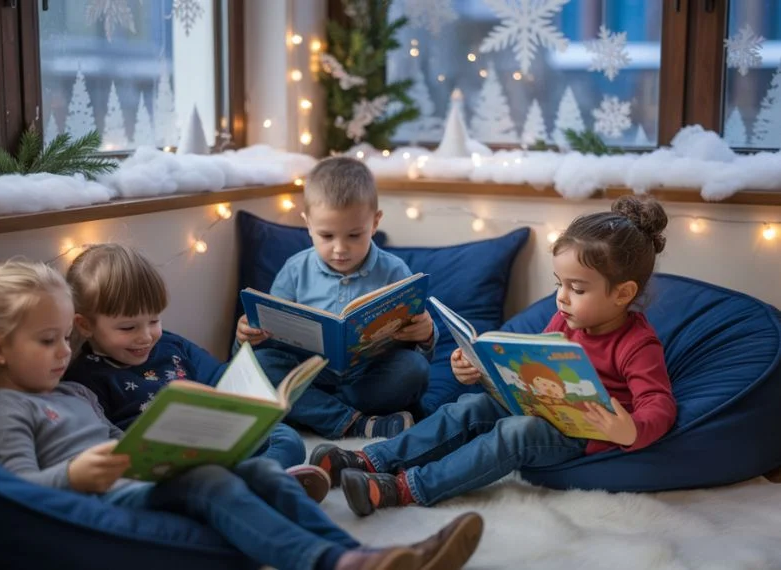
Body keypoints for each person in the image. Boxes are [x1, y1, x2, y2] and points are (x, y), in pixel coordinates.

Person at [0, 260, 484, 570]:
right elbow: (15, 491)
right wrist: (74, 475)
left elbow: (123, 439)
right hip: (103, 495)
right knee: (211, 483)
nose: (63, 353)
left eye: (64, 339)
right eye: (48, 341)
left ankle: (365, 555)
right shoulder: (1, 405)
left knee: (261, 467)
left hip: (141, 477)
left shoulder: (72, 394)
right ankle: (330, 564)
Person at [310, 195, 678, 516]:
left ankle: (408, 488)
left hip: (580, 434)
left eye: (577, 288)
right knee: (467, 406)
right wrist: (480, 369)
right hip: (540, 407)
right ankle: (369, 459)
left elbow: (658, 404)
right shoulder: (565, 321)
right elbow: (534, 368)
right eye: (558, 284)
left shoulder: (637, 344)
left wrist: (628, 429)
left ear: (623, 293)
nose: (561, 297)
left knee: (516, 432)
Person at [62, 243, 328, 502]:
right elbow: (102, 443)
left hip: (215, 439)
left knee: (286, 438)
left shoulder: (171, 344)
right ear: (85, 325)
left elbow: (221, 377)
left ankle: (250, 485)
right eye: (128, 328)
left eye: (154, 320)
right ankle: (258, 485)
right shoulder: (84, 376)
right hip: (165, 466)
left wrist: (252, 404)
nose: (146, 336)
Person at [236, 156, 437, 439]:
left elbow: (419, 345)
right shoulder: (295, 270)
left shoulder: (394, 271)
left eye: (354, 235)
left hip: (368, 378)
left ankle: (316, 413)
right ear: (307, 224)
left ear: (375, 222)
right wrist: (248, 334)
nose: (340, 248)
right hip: (309, 375)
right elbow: (269, 333)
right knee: (261, 364)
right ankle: (356, 422)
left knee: (413, 369)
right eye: (326, 235)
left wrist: (425, 333)